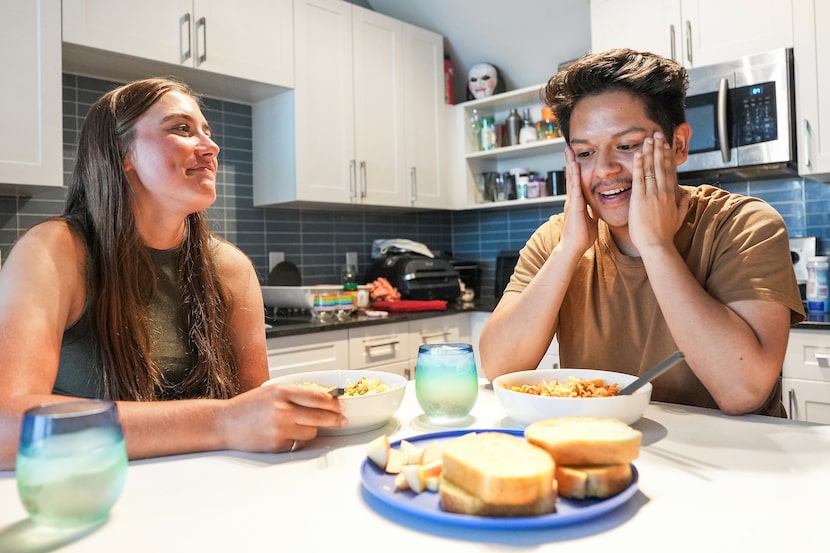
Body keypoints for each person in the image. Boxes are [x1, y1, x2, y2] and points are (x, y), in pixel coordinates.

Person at [0, 77, 347, 470]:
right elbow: (7, 425)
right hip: (93, 495)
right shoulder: (53, 252)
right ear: (122, 152)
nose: (211, 147)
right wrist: (221, 421)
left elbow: (258, 419)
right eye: (182, 129)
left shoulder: (231, 268)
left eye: (207, 131)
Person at [479, 49, 805, 417]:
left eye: (627, 146)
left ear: (678, 145)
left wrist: (655, 244)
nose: (603, 170)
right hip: (606, 452)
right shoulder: (558, 239)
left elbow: (743, 391)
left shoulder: (745, 225)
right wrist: (569, 249)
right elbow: (498, 369)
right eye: (584, 153)